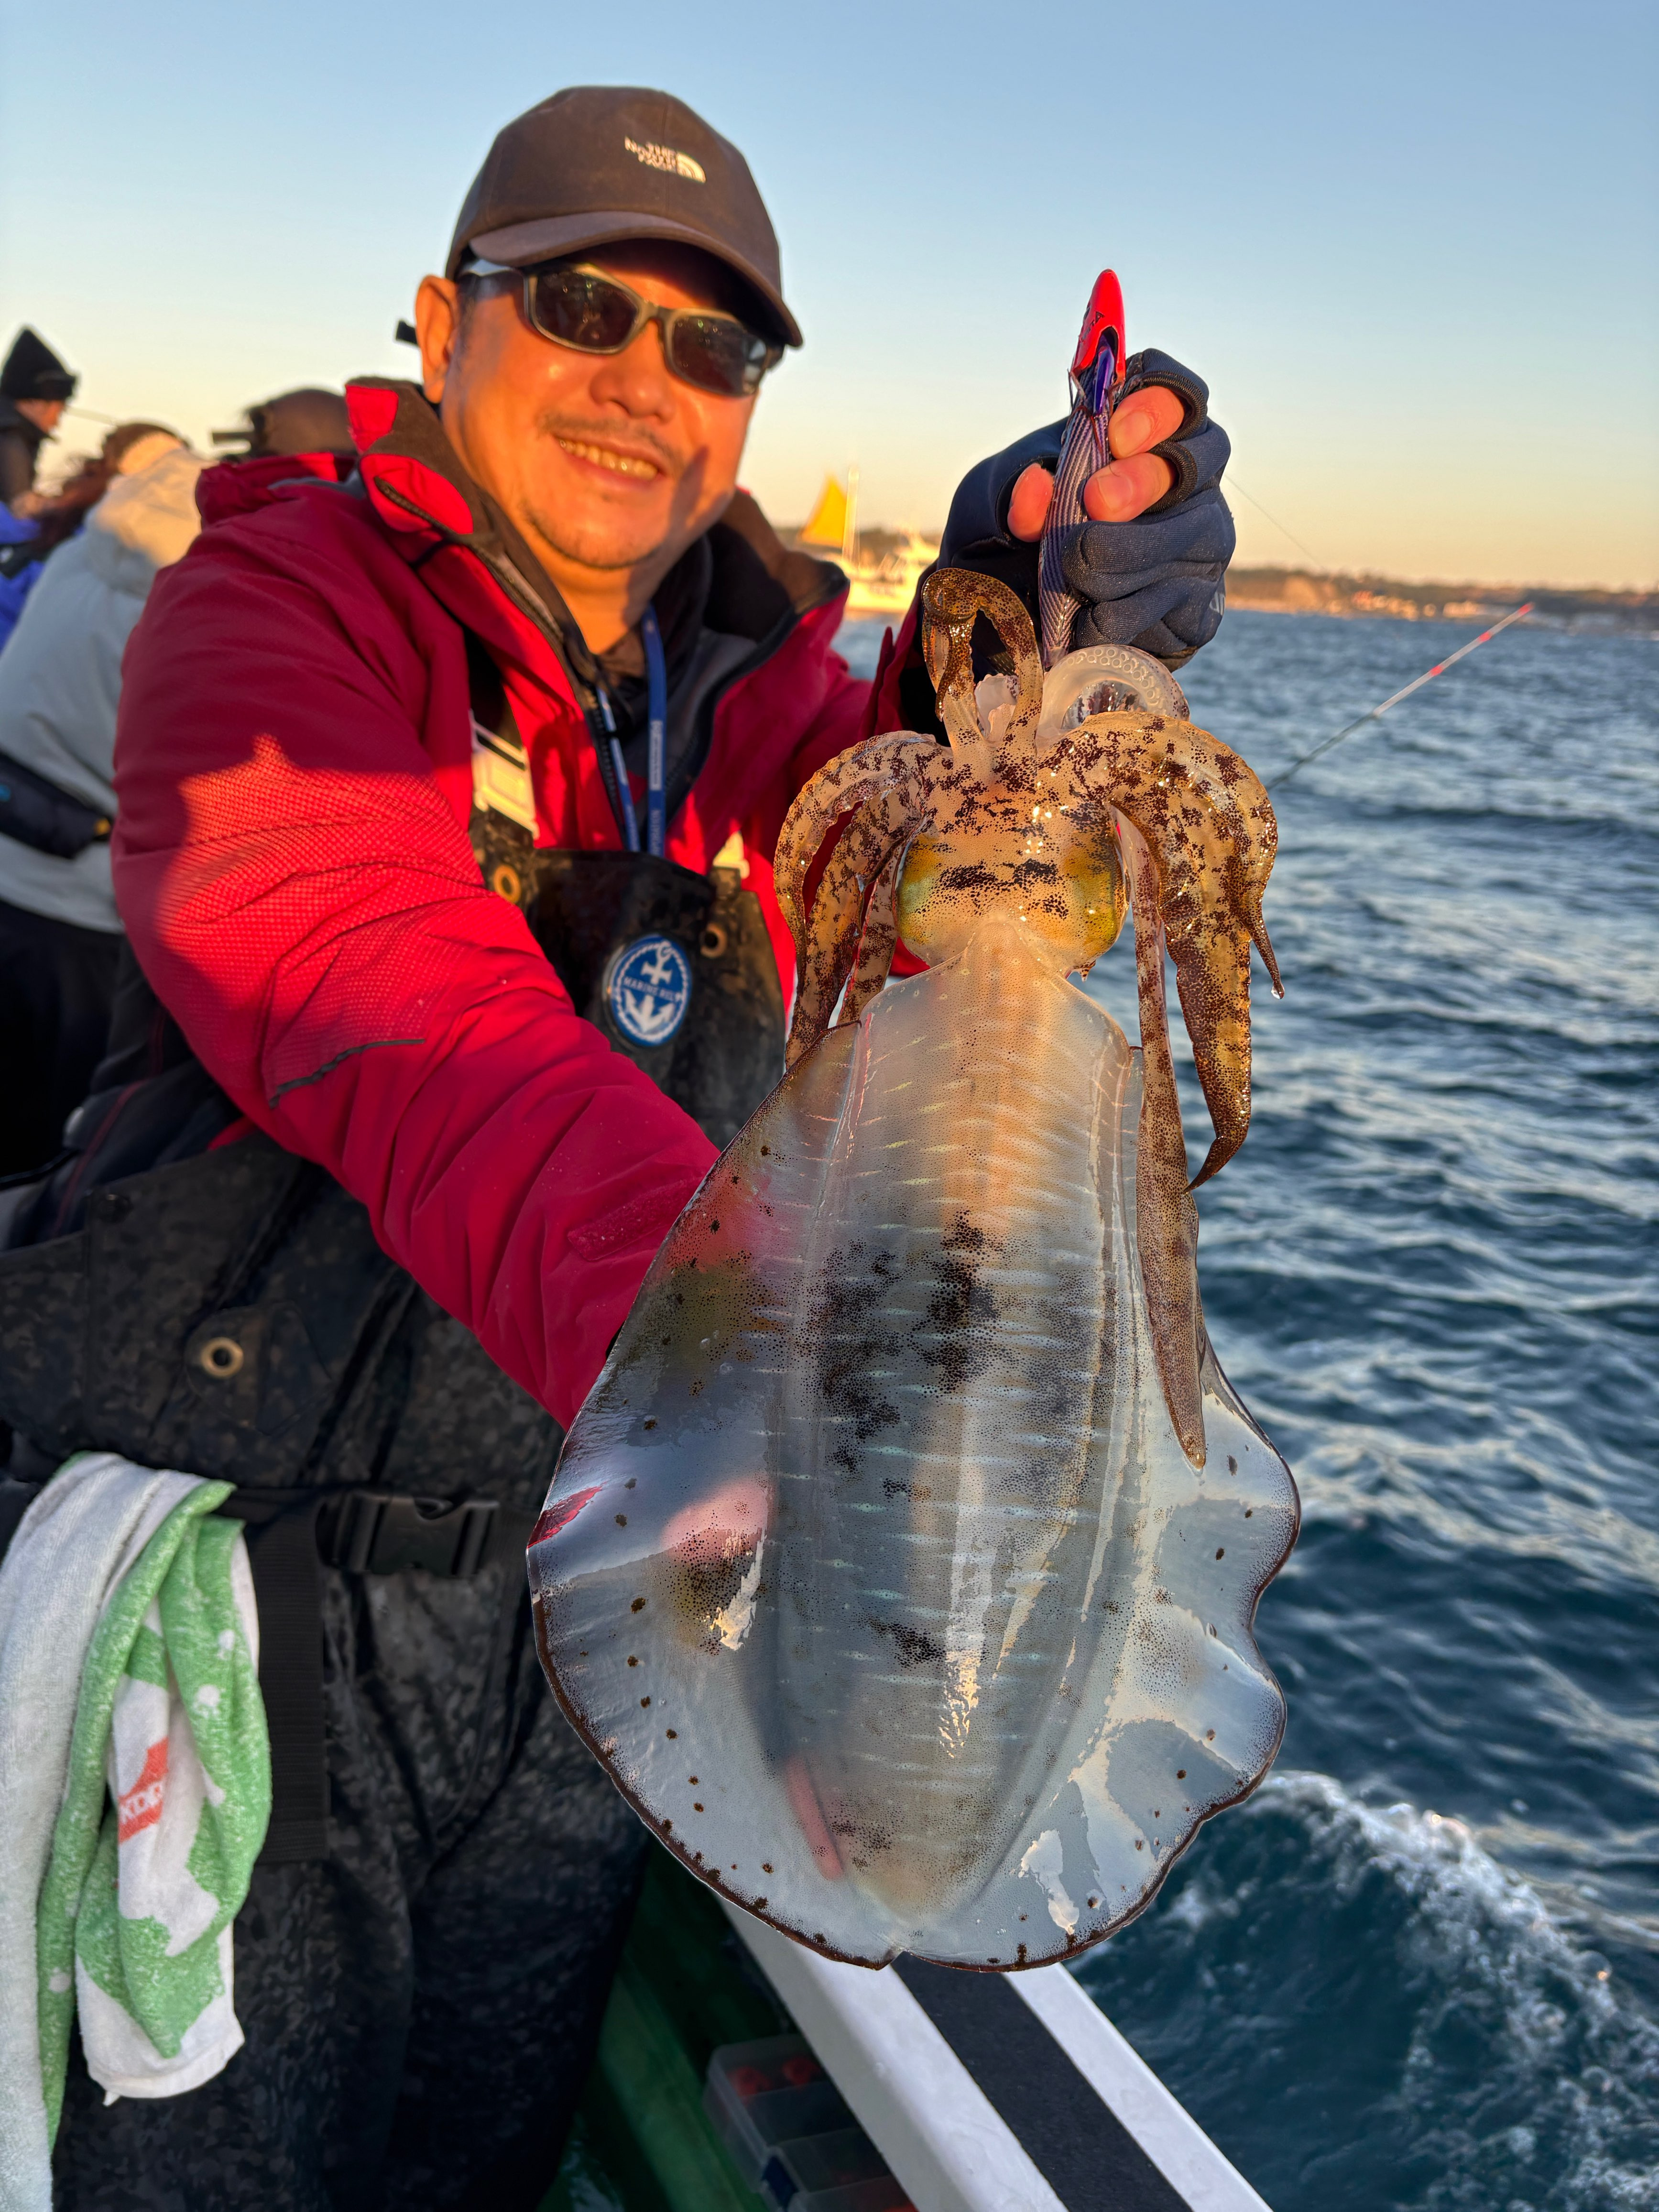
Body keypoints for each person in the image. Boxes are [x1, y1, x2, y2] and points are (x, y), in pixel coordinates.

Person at [0, 86, 1233, 2210]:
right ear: (439, 320)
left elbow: (914, 867)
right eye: (582, 306)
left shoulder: (739, 679)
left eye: (712, 343)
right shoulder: (274, 616)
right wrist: (761, 1356)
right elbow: (384, 996)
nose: (643, 379)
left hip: (598, 1620)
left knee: (476, 2163)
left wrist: (1004, 628)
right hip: (257, 1612)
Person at [0, 426, 199, 1173]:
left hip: (8, 869)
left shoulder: (71, 557)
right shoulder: (201, 606)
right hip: (84, 919)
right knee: (41, 1151)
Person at [0, 327, 78, 508]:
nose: (56, 424)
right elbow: (18, 511)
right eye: (58, 412)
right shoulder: (11, 443)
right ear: (35, 402)